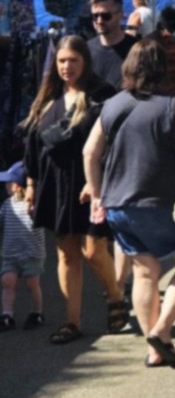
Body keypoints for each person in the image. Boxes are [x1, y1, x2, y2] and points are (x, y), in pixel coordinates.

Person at [81, 38, 175, 368]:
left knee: (145, 272)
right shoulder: (174, 106)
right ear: (162, 68)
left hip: (118, 205)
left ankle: (154, 347)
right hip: (161, 201)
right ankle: (162, 329)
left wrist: (97, 195)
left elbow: (89, 152)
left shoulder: (112, 105)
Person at [21, 35, 126, 343]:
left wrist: (101, 184)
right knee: (67, 256)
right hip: (54, 184)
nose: (67, 66)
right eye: (62, 61)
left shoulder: (101, 95)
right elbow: (33, 144)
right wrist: (31, 183)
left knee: (94, 251)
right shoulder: (48, 96)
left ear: (85, 62)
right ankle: (72, 322)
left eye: (73, 60)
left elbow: (114, 143)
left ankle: (115, 296)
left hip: (90, 183)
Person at [0, 161, 44, 332]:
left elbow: (40, 222)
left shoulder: (32, 205)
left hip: (32, 253)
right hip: (11, 254)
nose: (5, 185)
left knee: (32, 283)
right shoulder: (7, 204)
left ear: (18, 186)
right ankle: (7, 315)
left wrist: (33, 212)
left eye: (8, 182)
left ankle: (37, 312)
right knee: (7, 281)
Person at [87, 0, 138, 91]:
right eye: (95, 16)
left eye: (106, 16)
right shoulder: (86, 49)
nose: (99, 21)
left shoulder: (136, 50)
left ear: (120, 14)